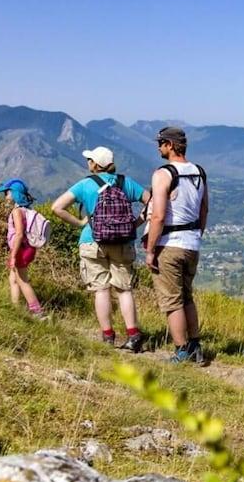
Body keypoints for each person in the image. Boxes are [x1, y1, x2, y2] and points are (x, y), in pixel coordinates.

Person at [51, 147, 150, 352]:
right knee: (124, 290)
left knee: (101, 289)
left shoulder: (85, 184)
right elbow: (151, 201)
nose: (88, 163)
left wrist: (79, 223)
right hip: (123, 241)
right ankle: (133, 335)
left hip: (92, 240)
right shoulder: (126, 183)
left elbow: (57, 207)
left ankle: (107, 336)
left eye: (90, 160)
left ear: (95, 164)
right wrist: (135, 223)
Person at [143, 126, 209, 364]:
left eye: (160, 143)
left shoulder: (163, 174)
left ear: (170, 145)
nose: (158, 147)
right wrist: (196, 235)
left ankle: (182, 350)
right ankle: (195, 344)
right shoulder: (199, 172)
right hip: (192, 243)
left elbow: (158, 216)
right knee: (187, 297)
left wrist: (150, 251)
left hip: (169, 244)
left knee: (172, 301)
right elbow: (204, 208)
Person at [0, 178, 46, 319]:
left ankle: (37, 312)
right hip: (28, 248)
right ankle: (15, 307)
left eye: (6, 193)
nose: (5, 196)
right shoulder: (27, 210)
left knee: (22, 280)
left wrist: (14, 255)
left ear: (14, 193)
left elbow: (19, 234)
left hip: (20, 249)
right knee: (13, 279)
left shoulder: (16, 211)